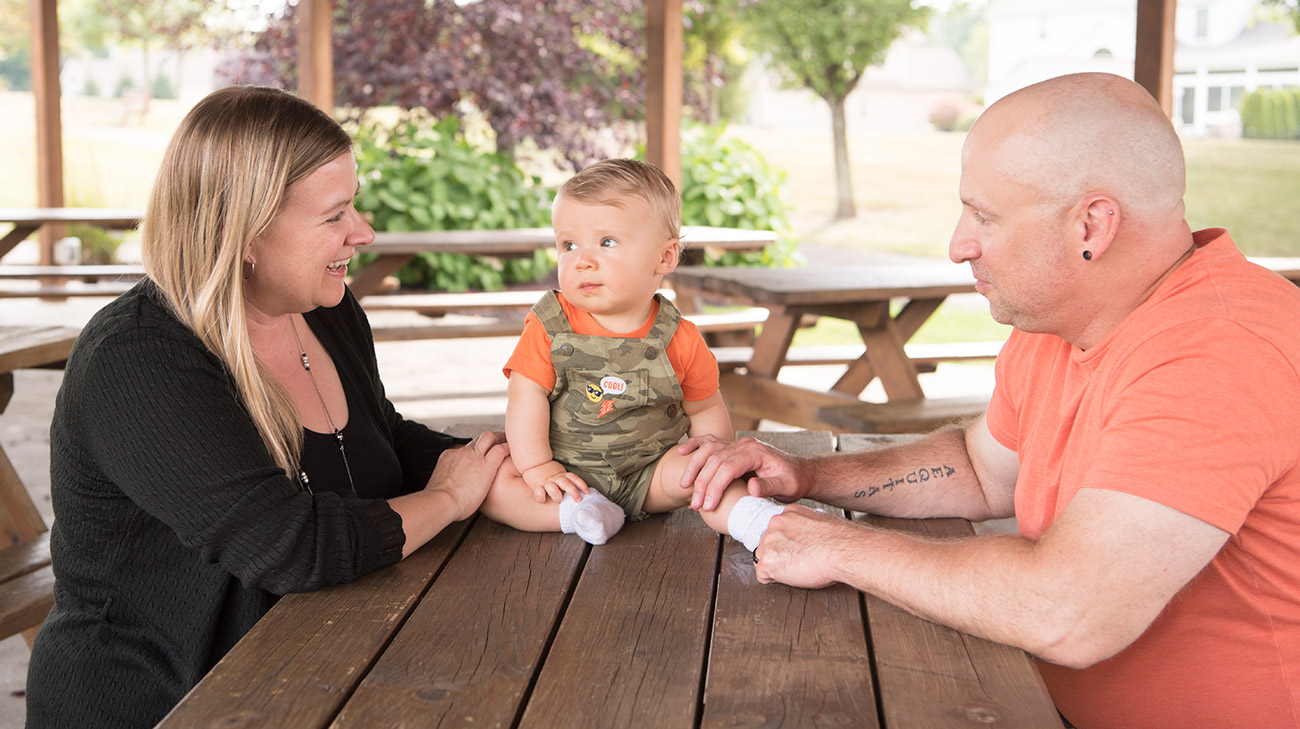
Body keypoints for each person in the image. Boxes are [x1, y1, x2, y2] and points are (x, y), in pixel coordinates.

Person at [679, 73, 1300, 729]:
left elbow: (1068, 610)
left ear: (1093, 223)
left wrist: (836, 547)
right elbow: (982, 469)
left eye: (985, 216)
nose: (958, 245)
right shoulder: (1066, 317)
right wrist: (811, 475)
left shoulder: (1221, 352)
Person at [25, 85, 509, 728]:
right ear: (244, 233)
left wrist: (506, 461)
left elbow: (380, 439)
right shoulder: (138, 358)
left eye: (355, 205)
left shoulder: (324, 310)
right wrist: (448, 500)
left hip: (311, 675)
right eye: (334, 215)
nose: (362, 233)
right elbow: (289, 547)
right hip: (164, 703)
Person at [481, 159, 783, 547]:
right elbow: (525, 396)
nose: (582, 259)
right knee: (492, 482)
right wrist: (538, 467)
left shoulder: (679, 338)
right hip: (564, 472)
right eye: (568, 245)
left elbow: (705, 409)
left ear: (664, 258)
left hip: (653, 473)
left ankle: (758, 522)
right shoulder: (549, 326)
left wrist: (713, 457)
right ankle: (579, 512)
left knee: (706, 478)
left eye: (606, 242)